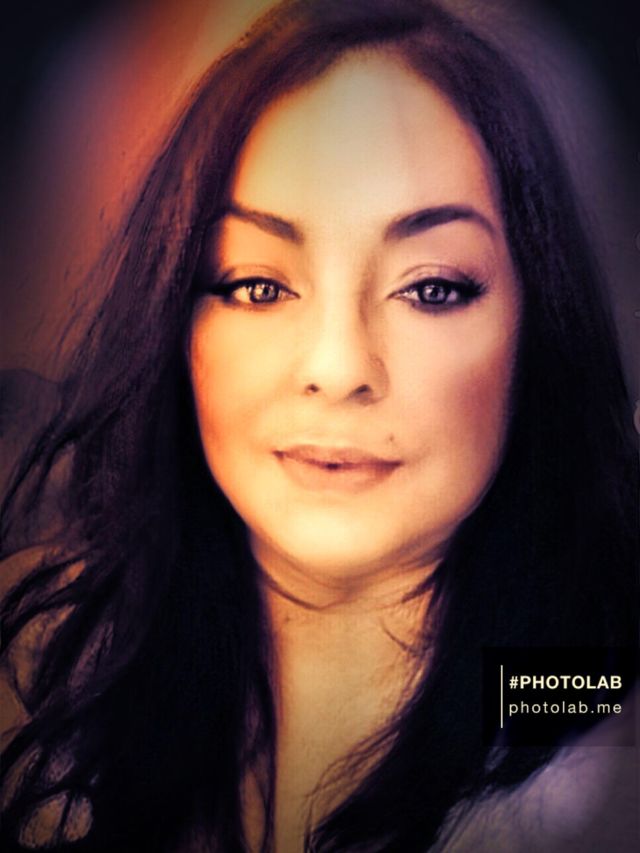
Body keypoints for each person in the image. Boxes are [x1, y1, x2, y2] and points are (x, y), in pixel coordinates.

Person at [0, 0, 637, 850]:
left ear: (537, 330)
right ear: (177, 324)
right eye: (258, 285)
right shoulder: (40, 671)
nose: (338, 367)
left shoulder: (586, 716)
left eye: (432, 287)